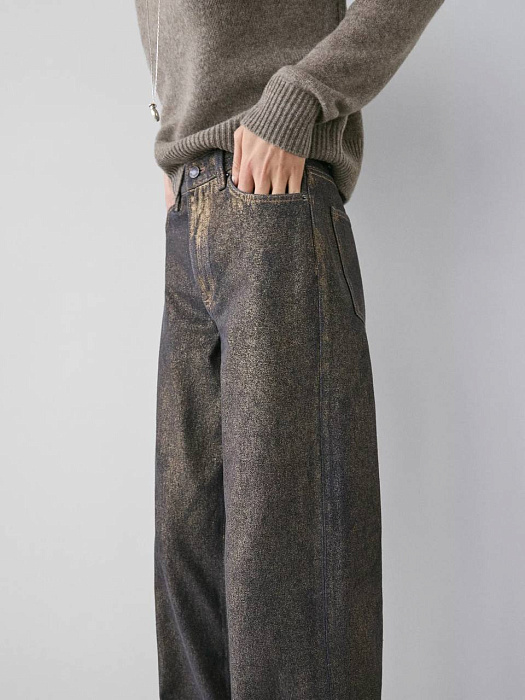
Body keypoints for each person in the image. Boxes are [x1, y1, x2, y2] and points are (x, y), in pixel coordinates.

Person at [134, 1, 445, 698]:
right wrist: (177, 133)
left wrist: (297, 97)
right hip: (191, 211)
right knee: (191, 563)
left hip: (272, 208)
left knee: (287, 568)